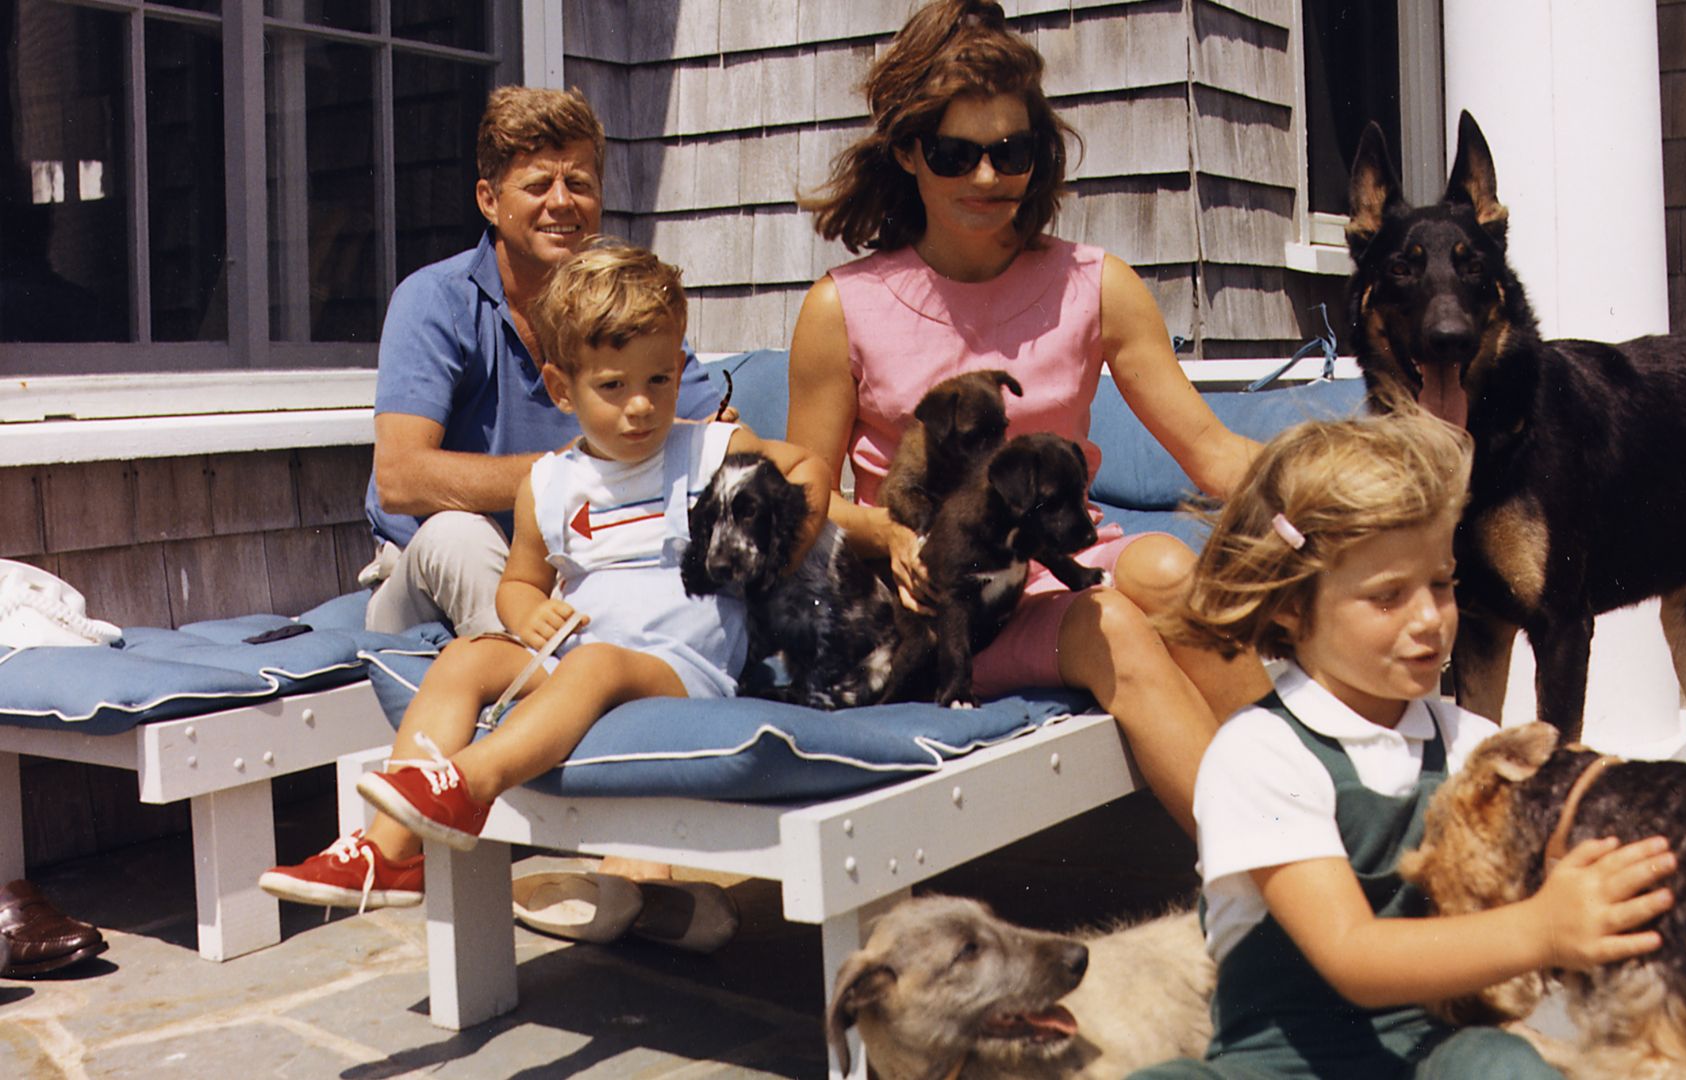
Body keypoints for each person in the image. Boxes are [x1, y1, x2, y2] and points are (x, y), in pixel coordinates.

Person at [787, 0, 1271, 834]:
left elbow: (1213, 453)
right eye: (955, 154)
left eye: (1011, 152)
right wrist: (891, 537)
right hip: (939, 612)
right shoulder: (843, 308)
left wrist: (1356, 492)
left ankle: (1333, 816)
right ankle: (1274, 881)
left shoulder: (1097, 285)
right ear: (908, 153)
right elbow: (805, 496)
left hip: (1060, 570)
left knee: (1158, 564)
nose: (987, 178)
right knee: (1111, 621)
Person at [262, 242, 830, 946]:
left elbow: (805, 467)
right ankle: (387, 852)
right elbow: (521, 581)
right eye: (613, 386)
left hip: (682, 665)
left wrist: (769, 558)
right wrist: (526, 614)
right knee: (468, 657)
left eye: (660, 379)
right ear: (564, 390)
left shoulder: (707, 450)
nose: (642, 405)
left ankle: (465, 787)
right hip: (583, 653)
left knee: (596, 666)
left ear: (682, 371)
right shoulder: (549, 485)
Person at [1132, 410, 1676, 1079]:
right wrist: (1540, 929)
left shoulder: (1472, 747)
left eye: (1442, 584)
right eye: (1388, 597)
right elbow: (1350, 954)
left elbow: (1587, 827)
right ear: (1291, 608)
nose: (1429, 619)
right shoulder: (1258, 755)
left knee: (1502, 1063)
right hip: (1278, 1069)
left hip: (1428, 1059)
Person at [362, 85, 723, 640]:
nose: (561, 202)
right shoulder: (435, 298)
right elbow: (402, 477)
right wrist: (576, 468)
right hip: (427, 575)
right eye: (537, 185)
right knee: (461, 535)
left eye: (578, 183)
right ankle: (535, 695)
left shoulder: (619, 307)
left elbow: (709, 433)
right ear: (488, 200)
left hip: (574, 566)